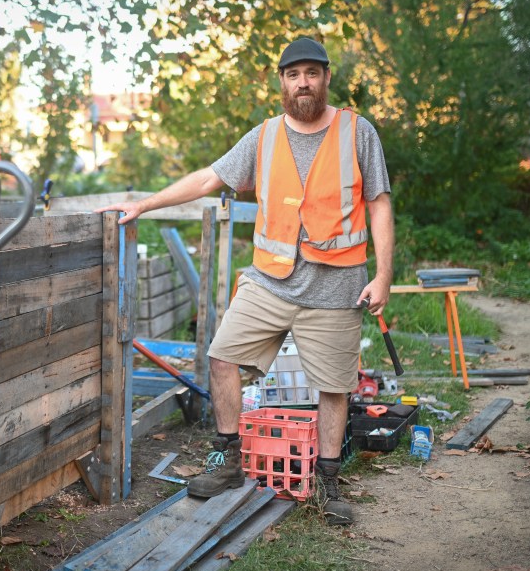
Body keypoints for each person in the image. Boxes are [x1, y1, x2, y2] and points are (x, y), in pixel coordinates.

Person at [96, 37, 394, 525]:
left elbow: (379, 202)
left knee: (335, 387)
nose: (303, 83)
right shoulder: (265, 136)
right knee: (221, 356)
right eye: (293, 74)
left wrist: (382, 276)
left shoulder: (357, 132)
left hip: (336, 285)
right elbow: (208, 179)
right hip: (270, 282)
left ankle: (329, 481)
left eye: (312, 73)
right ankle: (228, 457)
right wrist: (145, 204)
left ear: (326, 79)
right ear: (282, 81)